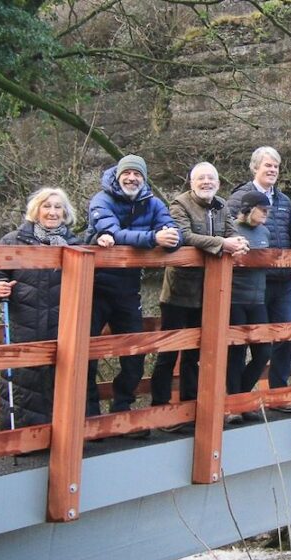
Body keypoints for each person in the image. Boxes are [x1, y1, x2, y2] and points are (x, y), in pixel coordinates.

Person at [85, 154, 181, 435]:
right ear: (118, 176)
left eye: (137, 175)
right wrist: (153, 239)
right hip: (94, 287)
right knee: (87, 352)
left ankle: (122, 410)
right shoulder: (101, 200)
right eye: (127, 173)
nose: (132, 178)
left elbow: (173, 230)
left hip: (128, 289)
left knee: (136, 351)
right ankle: (90, 417)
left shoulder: (152, 202)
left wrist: (171, 239)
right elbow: (112, 232)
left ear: (144, 178)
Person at [0, 188, 94, 428]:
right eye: (47, 206)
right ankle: (24, 439)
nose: (52, 212)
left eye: (58, 207)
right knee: (24, 382)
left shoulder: (75, 244)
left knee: (64, 381)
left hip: (62, 325)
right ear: (36, 210)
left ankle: (66, 439)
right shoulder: (12, 241)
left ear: (65, 213)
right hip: (25, 324)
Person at [152, 162, 247, 431]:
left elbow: (231, 231)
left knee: (194, 353)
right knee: (168, 353)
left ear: (217, 183)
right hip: (178, 292)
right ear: (192, 182)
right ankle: (161, 410)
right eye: (201, 178)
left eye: (211, 178)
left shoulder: (221, 205)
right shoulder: (179, 204)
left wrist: (239, 243)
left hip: (208, 292)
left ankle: (189, 408)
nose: (206, 182)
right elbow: (184, 235)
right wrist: (221, 245)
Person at [226, 147, 291, 396]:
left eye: (276, 166)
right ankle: (236, 397)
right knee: (241, 343)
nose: (272, 170)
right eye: (268, 165)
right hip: (250, 285)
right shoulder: (239, 198)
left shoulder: (283, 201)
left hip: (283, 279)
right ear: (255, 167)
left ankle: (277, 393)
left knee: (283, 336)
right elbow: (226, 235)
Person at [226, 191, 273, 423]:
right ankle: (235, 406)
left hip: (258, 298)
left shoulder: (265, 231)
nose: (266, 214)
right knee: (235, 353)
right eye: (262, 209)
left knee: (264, 351)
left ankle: (240, 396)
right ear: (249, 209)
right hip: (234, 298)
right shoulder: (232, 229)